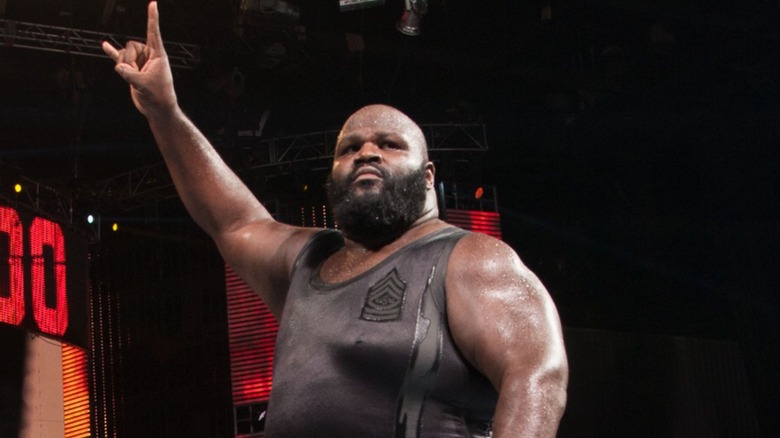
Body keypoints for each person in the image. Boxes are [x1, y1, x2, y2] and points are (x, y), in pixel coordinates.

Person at [102, 2, 568, 436]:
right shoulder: (309, 262)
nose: (367, 152)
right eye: (350, 148)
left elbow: (537, 373)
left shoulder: (467, 258)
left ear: (428, 177)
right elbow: (231, 220)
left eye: (390, 144)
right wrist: (164, 112)